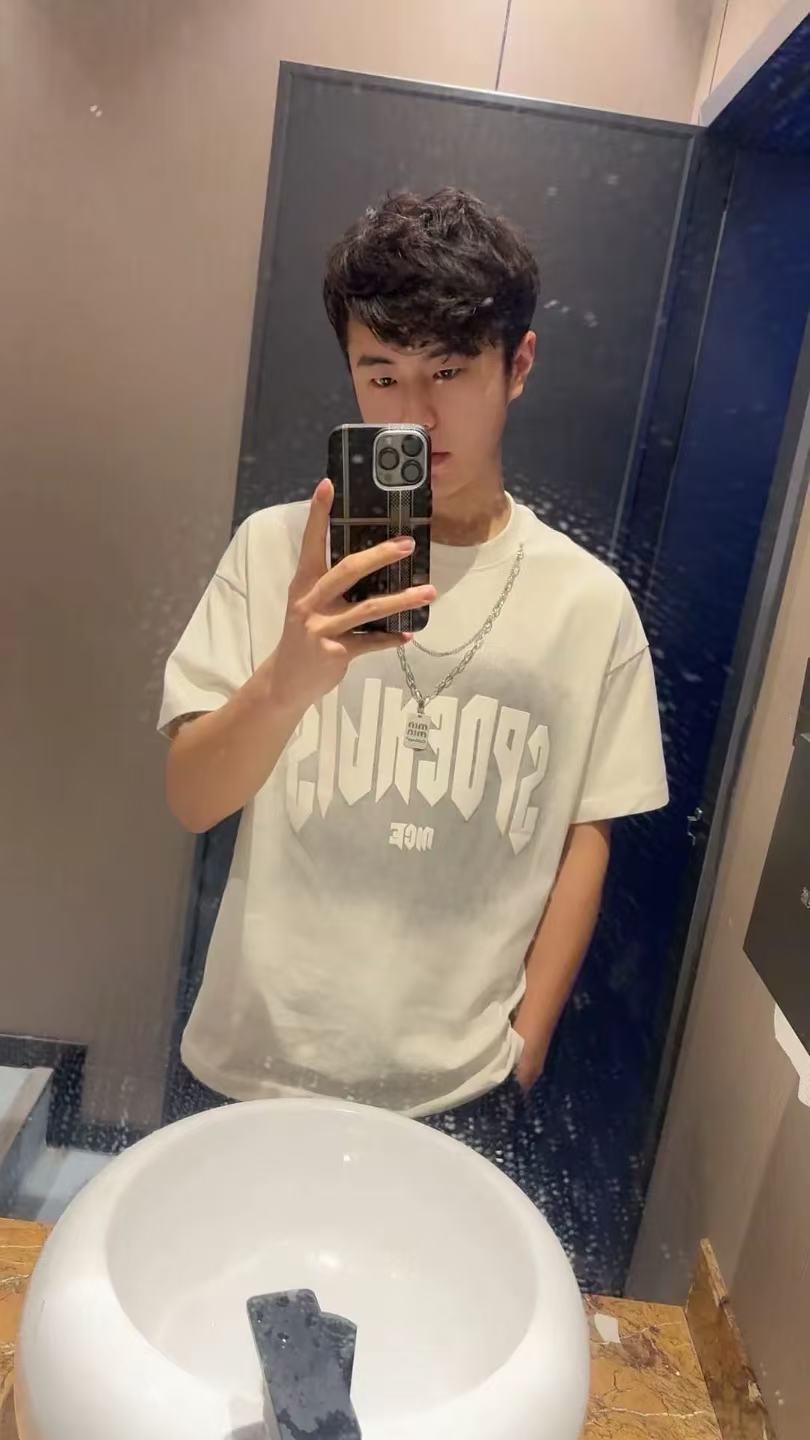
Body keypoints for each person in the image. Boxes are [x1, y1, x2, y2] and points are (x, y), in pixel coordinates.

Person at [158, 188, 668, 1203]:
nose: (415, 416)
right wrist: (286, 682)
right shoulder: (274, 551)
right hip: (250, 1067)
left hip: (460, 1094)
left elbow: (589, 832)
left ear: (517, 365)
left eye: (451, 371)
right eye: (382, 374)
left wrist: (526, 1046)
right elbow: (191, 800)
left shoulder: (589, 604)